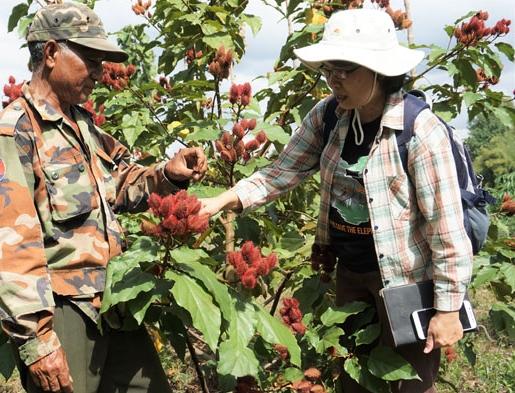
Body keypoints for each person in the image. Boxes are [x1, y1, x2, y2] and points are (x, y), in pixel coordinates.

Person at [199, 8, 472, 393]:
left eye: (345, 70)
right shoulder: (329, 115)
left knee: (409, 385)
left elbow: (446, 229)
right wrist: (218, 201)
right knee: (353, 379)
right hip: (350, 275)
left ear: (378, 69)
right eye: (329, 70)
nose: (334, 81)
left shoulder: (420, 131)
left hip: (407, 282)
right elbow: (280, 173)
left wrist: (447, 310)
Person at [0, 3, 207, 392]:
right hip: (62, 312)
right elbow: (11, 244)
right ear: (50, 54)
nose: (101, 74)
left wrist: (168, 173)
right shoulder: (13, 132)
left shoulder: (83, 126)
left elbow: (120, 183)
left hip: (113, 302)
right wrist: (36, 340)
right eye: (91, 60)